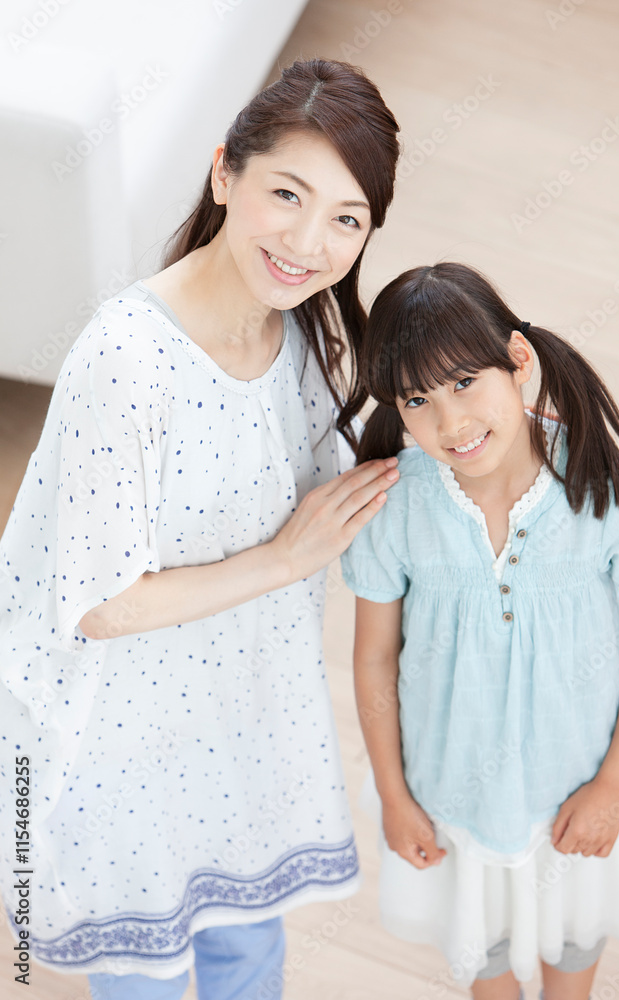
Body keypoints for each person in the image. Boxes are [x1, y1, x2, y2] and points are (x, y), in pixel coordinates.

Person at [0, 59, 401, 1000]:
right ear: (224, 172)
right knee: (145, 976)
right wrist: (285, 560)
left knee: (248, 958)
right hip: (110, 738)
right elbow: (101, 606)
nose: (307, 243)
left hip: (237, 715)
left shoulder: (298, 329)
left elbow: (327, 490)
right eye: (286, 194)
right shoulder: (127, 360)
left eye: (346, 219)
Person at [340, 262, 619, 1000]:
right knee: (482, 959)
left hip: (577, 787)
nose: (450, 422)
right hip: (452, 794)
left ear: (518, 360)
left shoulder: (605, 486)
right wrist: (393, 794)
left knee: (575, 944)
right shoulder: (396, 506)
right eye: (417, 400)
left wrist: (614, 785)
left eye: (464, 382)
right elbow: (373, 658)